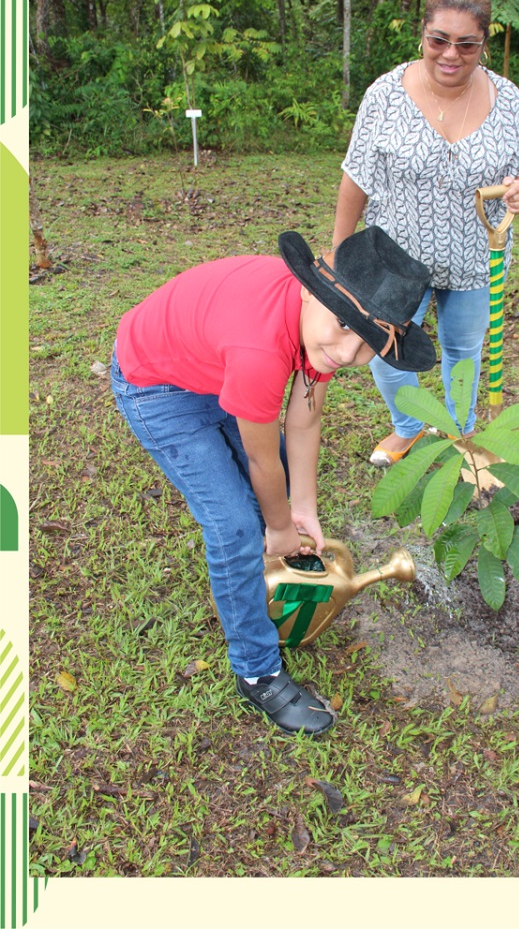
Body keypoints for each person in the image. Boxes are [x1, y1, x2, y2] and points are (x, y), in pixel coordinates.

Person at [110, 226, 435, 737]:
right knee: (237, 524)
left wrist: (301, 508)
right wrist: (281, 527)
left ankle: (258, 589)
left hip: (213, 370)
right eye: (345, 328)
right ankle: (256, 671)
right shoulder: (261, 347)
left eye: (368, 343)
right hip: (157, 388)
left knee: (277, 494)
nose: (348, 353)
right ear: (313, 290)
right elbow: (265, 465)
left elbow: (303, 419)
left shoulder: (320, 325)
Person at [332, 0, 519, 466]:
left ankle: (460, 434)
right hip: (395, 255)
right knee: (385, 345)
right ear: (422, 35)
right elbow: (355, 177)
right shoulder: (385, 95)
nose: (451, 54)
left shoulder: (509, 101)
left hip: (476, 256)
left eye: (467, 44)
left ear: (483, 44)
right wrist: (340, 255)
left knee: (463, 350)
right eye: (440, 40)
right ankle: (408, 426)